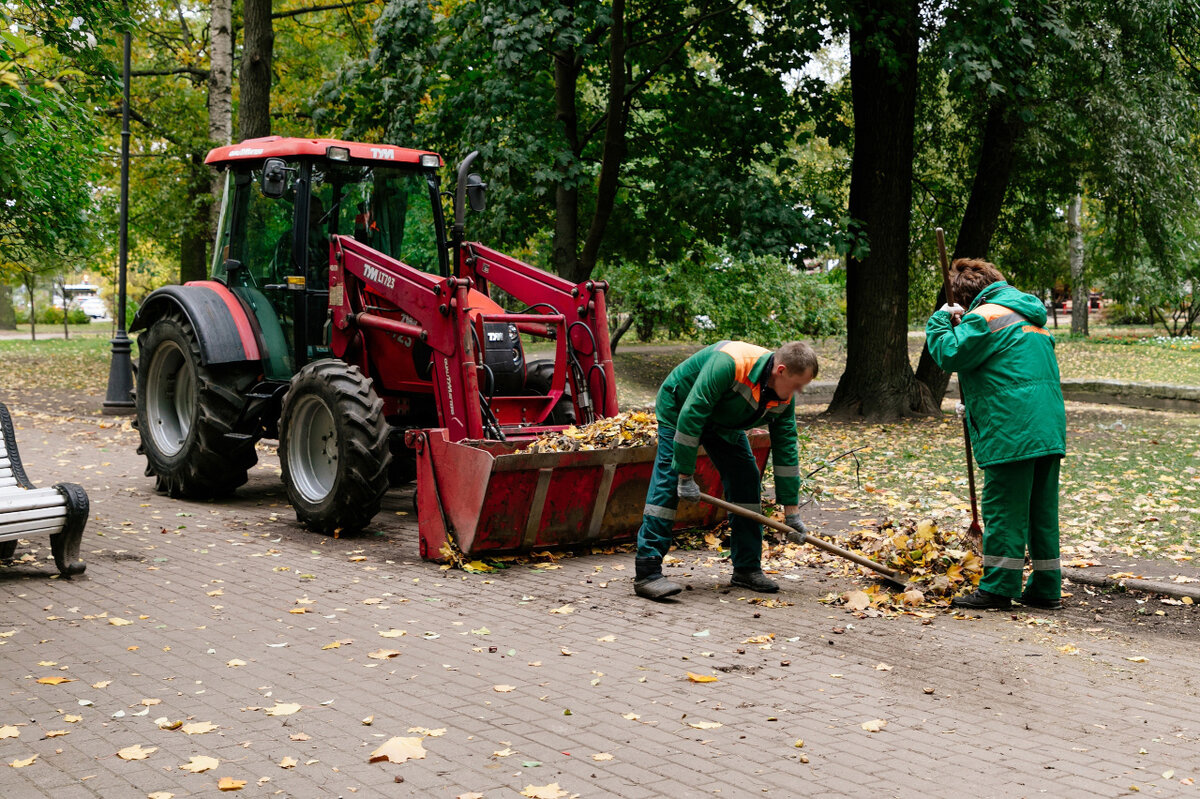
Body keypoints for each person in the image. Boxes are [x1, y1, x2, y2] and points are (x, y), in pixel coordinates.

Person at [926, 259, 1067, 611]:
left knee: (1004, 509)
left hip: (1012, 429)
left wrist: (942, 319)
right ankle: (1046, 587)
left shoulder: (984, 316)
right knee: (1041, 511)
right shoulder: (1029, 316)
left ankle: (998, 588)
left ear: (965, 298)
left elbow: (950, 353)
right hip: (1047, 428)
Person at [633, 340, 818, 600]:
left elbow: (786, 450)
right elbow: (693, 413)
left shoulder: (784, 397)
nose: (797, 392)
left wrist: (792, 514)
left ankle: (746, 568)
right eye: (798, 384)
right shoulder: (730, 363)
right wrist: (685, 475)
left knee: (746, 478)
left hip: (723, 421)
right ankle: (647, 572)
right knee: (670, 478)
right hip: (681, 407)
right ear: (781, 370)